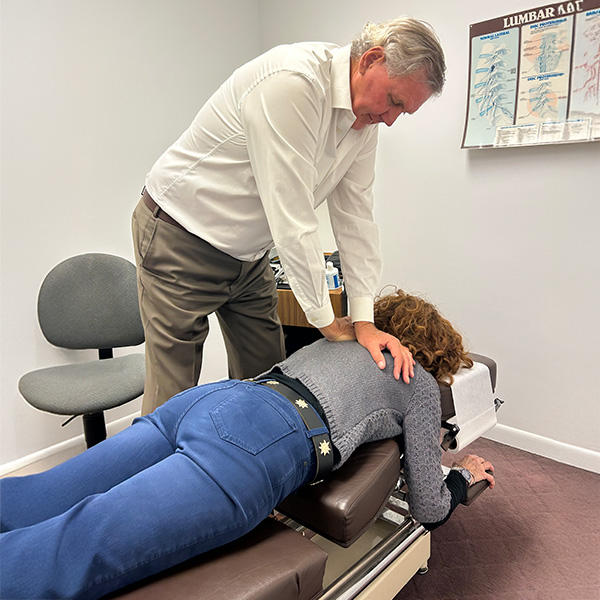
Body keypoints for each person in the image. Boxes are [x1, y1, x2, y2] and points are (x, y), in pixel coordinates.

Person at [0, 290, 495, 600]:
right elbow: (429, 506)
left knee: (39, 495)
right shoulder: (420, 382)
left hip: (210, 400)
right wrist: (460, 474)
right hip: (257, 444)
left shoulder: (341, 339)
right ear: (434, 352)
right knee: (74, 550)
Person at [133, 17, 447, 413]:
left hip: (248, 255)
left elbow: (356, 219)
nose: (390, 119)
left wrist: (363, 318)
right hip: (180, 235)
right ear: (371, 59)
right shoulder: (292, 83)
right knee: (172, 400)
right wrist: (327, 321)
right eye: (395, 101)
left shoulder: (364, 125)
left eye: (404, 112)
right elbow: (292, 214)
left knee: (270, 384)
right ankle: (149, 473)